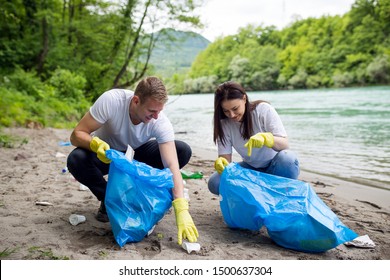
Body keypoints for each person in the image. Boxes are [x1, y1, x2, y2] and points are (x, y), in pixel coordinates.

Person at [67, 76, 198, 245]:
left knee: (182, 150)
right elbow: (76, 135)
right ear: (136, 101)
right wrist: (94, 144)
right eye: (152, 111)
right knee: (75, 159)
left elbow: (172, 165)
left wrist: (181, 207)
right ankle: (108, 198)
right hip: (107, 154)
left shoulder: (160, 121)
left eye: (160, 111)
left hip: (136, 155)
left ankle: (142, 193)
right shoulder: (111, 101)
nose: (156, 116)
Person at [208, 81, 300, 195]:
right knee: (215, 183)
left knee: (288, 159)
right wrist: (222, 164)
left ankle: (274, 191)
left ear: (244, 99)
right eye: (226, 111)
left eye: (235, 108)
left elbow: (285, 145)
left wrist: (268, 139)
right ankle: (259, 192)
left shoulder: (263, 110)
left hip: (276, 167)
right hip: (251, 169)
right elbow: (226, 160)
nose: (231, 115)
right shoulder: (223, 124)